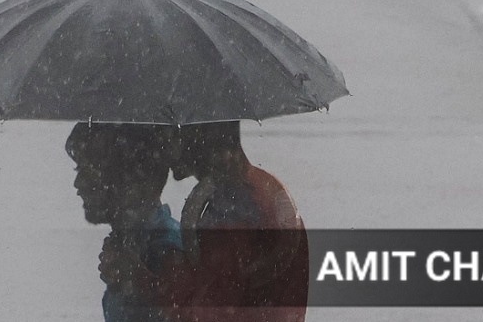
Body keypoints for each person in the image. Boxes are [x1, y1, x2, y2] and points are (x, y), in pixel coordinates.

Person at [160, 123, 307, 322]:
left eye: (176, 134)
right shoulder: (268, 198)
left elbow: (215, 300)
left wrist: (142, 277)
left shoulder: (231, 218)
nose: (168, 145)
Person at [67, 123, 182, 322]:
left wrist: (136, 282)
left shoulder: (166, 251)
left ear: (130, 181)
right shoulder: (132, 244)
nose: (78, 183)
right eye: (79, 169)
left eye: (90, 170)